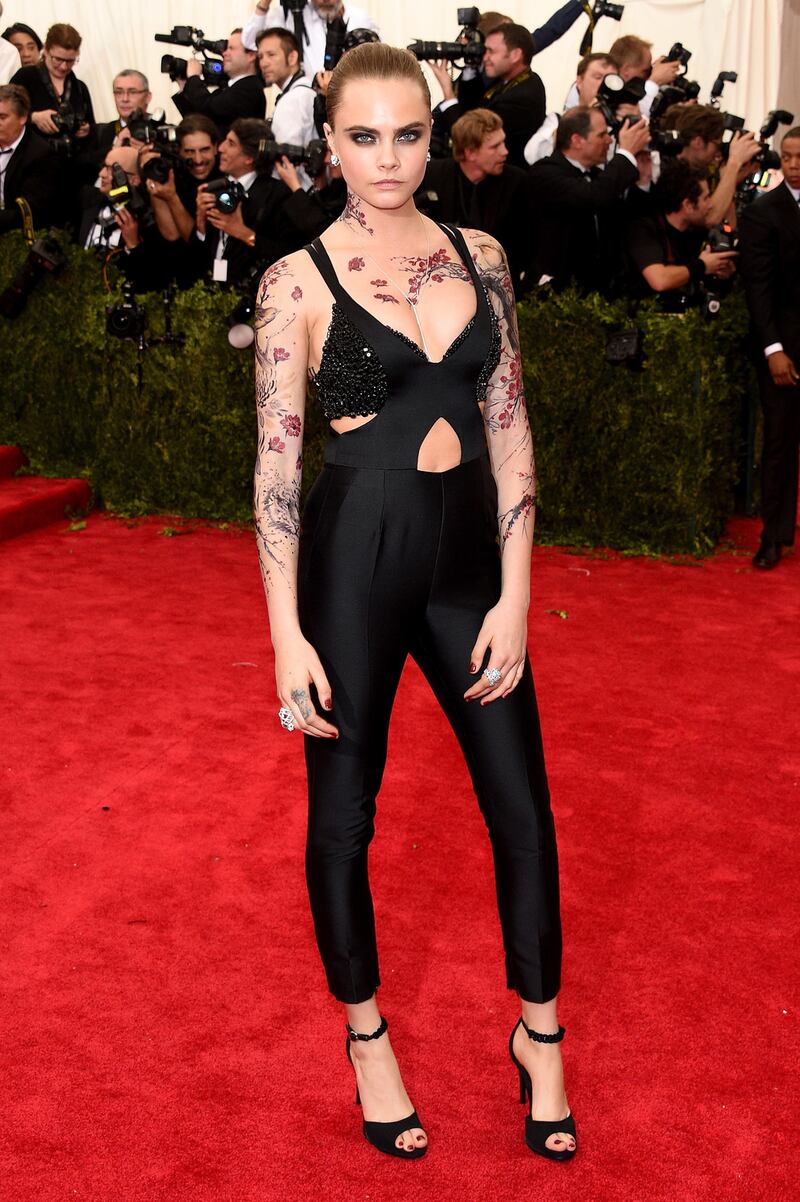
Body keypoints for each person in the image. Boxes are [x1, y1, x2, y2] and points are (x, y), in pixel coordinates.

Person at [252, 41, 575, 1164]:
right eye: (362, 136)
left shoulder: (480, 255)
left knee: (522, 810)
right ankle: (367, 1038)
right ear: (330, 142)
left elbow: (510, 429)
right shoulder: (296, 280)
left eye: (407, 134)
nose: (386, 157)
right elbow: (276, 469)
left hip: (471, 566)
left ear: (433, 137)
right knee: (343, 818)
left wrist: (517, 593)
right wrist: (286, 634)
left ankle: (540, 1035)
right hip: (353, 562)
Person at [738, 127, 800, 570]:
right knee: (779, 441)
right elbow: (757, 290)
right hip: (784, 346)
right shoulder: (763, 211)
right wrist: (773, 348)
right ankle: (772, 536)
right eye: (788, 156)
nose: (794, 164)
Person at [527, 105, 650, 294]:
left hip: (599, 292)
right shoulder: (545, 173)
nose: (610, 140)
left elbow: (626, 220)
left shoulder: (596, 176)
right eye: (602, 135)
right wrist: (626, 153)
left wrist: (643, 181)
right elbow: (593, 197)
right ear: (577, 140)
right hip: (556, 293)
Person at [417, 108, 531, 290]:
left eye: (503, 142)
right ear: (470, 152)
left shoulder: (517, 182)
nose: (505, 151)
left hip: (498, 286)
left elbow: (524, 245)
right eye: (495, 146)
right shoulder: (431, 176)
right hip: (440, 285)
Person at [191, 117, 296, 286]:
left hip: (253, 292)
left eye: (231, 143)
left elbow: (289, 254)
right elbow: (196, 255)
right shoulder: (214, 188)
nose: (221, 148)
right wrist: (200, 222)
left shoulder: (277, 194)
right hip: (212, 290)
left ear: (249, 158)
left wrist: (244, 233)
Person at [431, 23, 546, 169]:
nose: (485, 57)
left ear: (515, 55)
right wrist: (470, 65)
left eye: (491, 51)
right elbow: (472, 108)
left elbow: (470, 138)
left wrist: (448, 91)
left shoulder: (523, 97)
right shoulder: (511, 78)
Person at [623, 159, 737, 303]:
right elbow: (660, 280)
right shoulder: (643, 229)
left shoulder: (699, 232)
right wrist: (703, 266)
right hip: (646, 313)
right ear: (688, 205)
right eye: (706, 198)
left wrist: (721, 271)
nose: (710, 205)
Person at [10, 23, 95, 149]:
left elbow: (92, 128)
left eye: (70, 61)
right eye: (58, 59)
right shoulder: (25, 77)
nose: (64, 67)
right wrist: (33, 117)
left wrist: (87, 129)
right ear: (45, 50)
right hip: (35, 157)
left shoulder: (80, 88)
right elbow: (6, 116)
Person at [243, 1, 380, 78]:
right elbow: (250, 42)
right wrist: (264, 3)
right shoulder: (293, 14)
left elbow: (379, 59)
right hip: (309, 103)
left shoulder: (360, 18)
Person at [172, 29, 265, 136]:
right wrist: (184, 86)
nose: (224, 53)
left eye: (231, 48)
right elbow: (197, 122)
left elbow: (207, 109)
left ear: (251, 56)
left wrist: (194, 77)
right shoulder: (229, 88)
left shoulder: (249, 89)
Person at [256, 27, 316, 188]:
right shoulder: (307, 90)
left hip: (297, 190)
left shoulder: (293, 99)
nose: (263, 63)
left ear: (292, 57)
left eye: (271, 55)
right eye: (260, 57)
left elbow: (284, 164)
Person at [0, 83, 63, 233]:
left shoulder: (41, 155)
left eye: (2, 117)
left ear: (23, 118)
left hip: (19, 235)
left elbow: (28, 213)